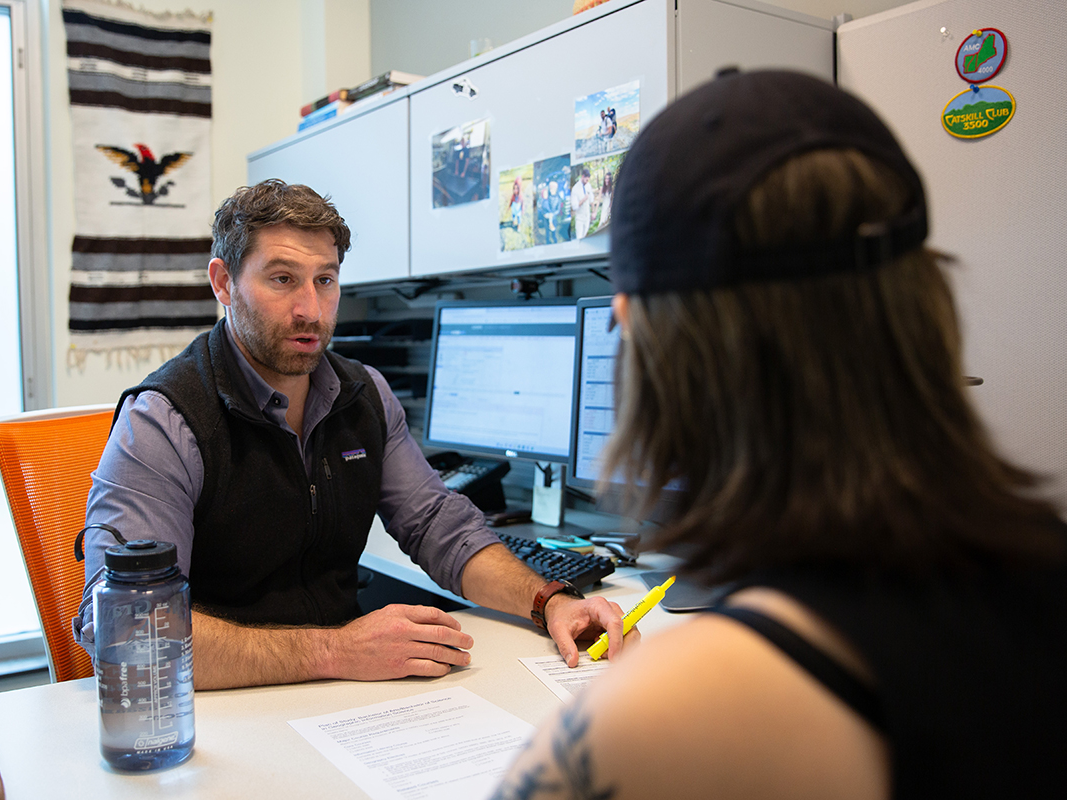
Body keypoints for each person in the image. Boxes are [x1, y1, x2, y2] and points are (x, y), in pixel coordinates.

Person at [493, 69, 1066, 799]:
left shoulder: (660, 723)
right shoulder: (1043, 570)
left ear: (644, 334)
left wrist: (667, 695)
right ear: (922, 306)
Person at [72, 179, 628, 690]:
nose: (310, 310)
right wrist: (335, 651)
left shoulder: (364, 395)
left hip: (345, 700)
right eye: (282, 279)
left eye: (326, 280)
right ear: (224, 283)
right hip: (218, 711)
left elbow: (440, 527)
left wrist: (550, 600)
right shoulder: (164, 421)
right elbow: (127, 632)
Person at [570, 166, 592, 240]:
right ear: (582, 176)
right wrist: (583, 200)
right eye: (586, 180)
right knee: (579, 238)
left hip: (587, 217)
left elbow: (591, 199)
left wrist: (593, 211)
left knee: (586, 237)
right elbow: (574, 206)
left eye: (588, 180)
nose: (587, 182)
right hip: (579, 219)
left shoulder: (588, 185)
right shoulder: (575, 189)